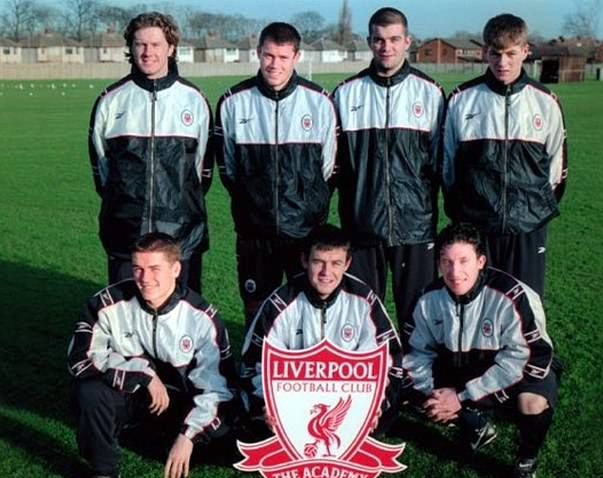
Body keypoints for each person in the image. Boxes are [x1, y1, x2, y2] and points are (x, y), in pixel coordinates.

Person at [68, 233, 238, 478]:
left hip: (178, 406)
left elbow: (218, 389)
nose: (144, 278)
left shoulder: (201, 317)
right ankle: (104, 474)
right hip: (131, 398)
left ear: (176, 269)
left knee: (226, 442)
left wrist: (188, 435)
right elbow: (80, 359)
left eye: (154, 268)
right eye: (137, 268)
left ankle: (150, 438)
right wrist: (142, 372)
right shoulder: (107, 303)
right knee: (89, 392)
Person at [402, 222, 561, 478]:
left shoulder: (511, 294)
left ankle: (526, 460)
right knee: (421, 394)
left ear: (481, 261)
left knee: (531, 403)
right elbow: (415, 352)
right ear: (439, 263)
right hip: (463, 368)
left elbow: (529, 357)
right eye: (447, 262)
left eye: (464, 261)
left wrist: (462, 396)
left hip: (520, 368)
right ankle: (475, 425)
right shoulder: (428, 299)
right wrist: (435, 394)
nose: (455, 272)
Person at [214, 22, 337, 325]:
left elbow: (330, 168)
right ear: (258, 53)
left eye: (283, 57)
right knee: (256, 308)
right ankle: (255, 367)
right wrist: (252, 203)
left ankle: (302, 370)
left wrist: (309, 206)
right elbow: (228, 169)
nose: (274, 65)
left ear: (296, 56)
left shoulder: (319, 101)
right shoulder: (233, 102)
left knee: (307, 309)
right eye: (269, 56)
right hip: (254, 232)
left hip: (304, 232)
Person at [332, 7, 445, 331]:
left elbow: (441, 163)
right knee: (364, 317)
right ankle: (375, 378)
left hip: (415, 226)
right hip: (362, 226)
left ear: (407, 41)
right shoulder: (346, 94)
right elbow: (335, 165)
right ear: (369, 42)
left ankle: (417, 380)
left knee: (419, 316)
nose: (387, 47)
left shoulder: (430, 93)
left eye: (394, 39)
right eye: (379, 40)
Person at [441, 13, 568, 298]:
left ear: (525, 51)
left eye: (511, 54)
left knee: (526, 307)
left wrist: (532, 211)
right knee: (475, 306)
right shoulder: (462, 100)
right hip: (476, 226)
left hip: (528, 227)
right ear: (485, 52)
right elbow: (447, 166)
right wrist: (464, 210)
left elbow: (556, 171)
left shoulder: (546, 102)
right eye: (495, 54)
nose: (503, 62)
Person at [89, 12, 214, 293]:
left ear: (170, 48)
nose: (148, 52)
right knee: (125, 317)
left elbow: (201, 173)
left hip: (181, 234)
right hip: (125, 234)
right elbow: (102, 169)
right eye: (140, 44)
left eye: (156, 45)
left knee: (183, 318)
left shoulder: (194, 100)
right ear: (131, 48)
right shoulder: (111, 100)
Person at [240, 224, 403, 435]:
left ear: (347, 264)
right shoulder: (281, 303)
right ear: (305, 261)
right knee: (259, 428)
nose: (327, 272)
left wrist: (374, 406)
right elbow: (254, 363)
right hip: (293, 402)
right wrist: (270, 403)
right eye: (318, 262)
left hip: (347, 403)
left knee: (376, 425)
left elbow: (387, 360)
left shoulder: (363, 301)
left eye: (336, 263)